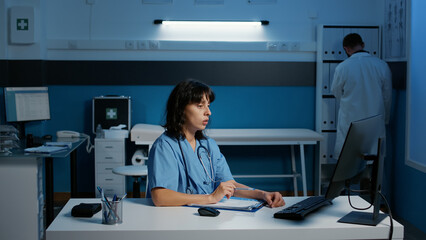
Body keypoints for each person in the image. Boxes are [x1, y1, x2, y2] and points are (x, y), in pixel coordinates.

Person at [147, 80, 285, 208]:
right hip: (175, 220)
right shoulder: (165, 146)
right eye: (200, 106)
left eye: (208, 106)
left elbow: (230, 185)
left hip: (206, 216)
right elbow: (160, 197)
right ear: (181, 108)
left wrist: (262, 194)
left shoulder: (208, 145)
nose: (208, 112)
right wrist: (210, 198)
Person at [331, 33, 392, 158]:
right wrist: (385, 119)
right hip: (375, 119)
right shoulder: (381, 65)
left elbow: (336, 92)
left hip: (350, 119)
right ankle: (370, 177)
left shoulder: (342, 67)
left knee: (348, 158)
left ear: (346, 49)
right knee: (374, 157)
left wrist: (348, 103)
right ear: (363, 44)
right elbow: (387, 96)